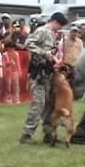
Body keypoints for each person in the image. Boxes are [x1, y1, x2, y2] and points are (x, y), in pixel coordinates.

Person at [20, 12, 68, 144]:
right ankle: (26, 135)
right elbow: (28, 43)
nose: (60, 28)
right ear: (55, 22)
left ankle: (48, 134)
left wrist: (54, 60)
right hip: (38, 73)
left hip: (47, 73)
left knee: (48, 105)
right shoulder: (42, 31)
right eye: (60, 25)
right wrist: (44, 53)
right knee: (39, 104)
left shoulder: (53, 34)